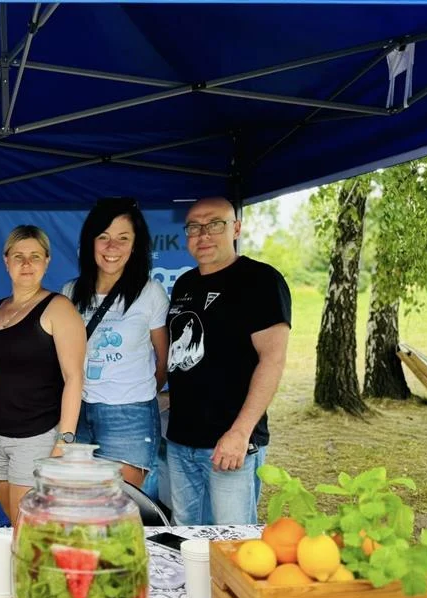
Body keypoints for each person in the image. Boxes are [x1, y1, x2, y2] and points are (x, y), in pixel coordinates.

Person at [166, 196, 292, 525]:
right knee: (186, 540)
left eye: (215, 225)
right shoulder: (185, 283)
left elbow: (273, 360)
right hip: (181, 441)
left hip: (230, 444)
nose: (203, 235)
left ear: (236, 228)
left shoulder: (260, 280)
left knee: (232, 541)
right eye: (194, 227)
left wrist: (240, 432)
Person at [0, 225, 86, 526]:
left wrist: (64, 443)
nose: (26, 263)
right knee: (20, 526)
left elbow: (74, 379)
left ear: (47, 261)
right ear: (6, 261)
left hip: (37, 437)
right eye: (18, 256)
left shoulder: (59, 308)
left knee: (29, 527)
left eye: (35, 256)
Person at [63, 197, 169, 489]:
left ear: (135, 245)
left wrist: (138, 393)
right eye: (103, 237)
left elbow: (163, 359)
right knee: (79, 502)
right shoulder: (70, 292)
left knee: (120, 504)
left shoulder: (150, 292)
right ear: (90, 242)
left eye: (123, 238)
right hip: (78, 411)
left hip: (129, 416)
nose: (112, 247)